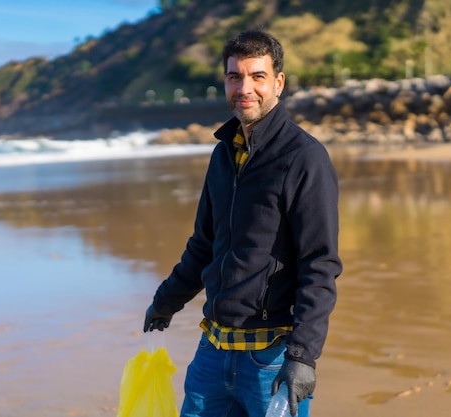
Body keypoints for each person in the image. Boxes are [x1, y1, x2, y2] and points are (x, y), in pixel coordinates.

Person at [143, 29, 342, 417]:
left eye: (257, 76)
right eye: (235, 76)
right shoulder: (222, 155)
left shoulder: (304, 158)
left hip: (270, 360)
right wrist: (166, 300)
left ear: (278, 83)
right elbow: (204, 244)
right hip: (212, 353)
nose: (244, 88)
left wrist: (303, 356)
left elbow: (320, 265)